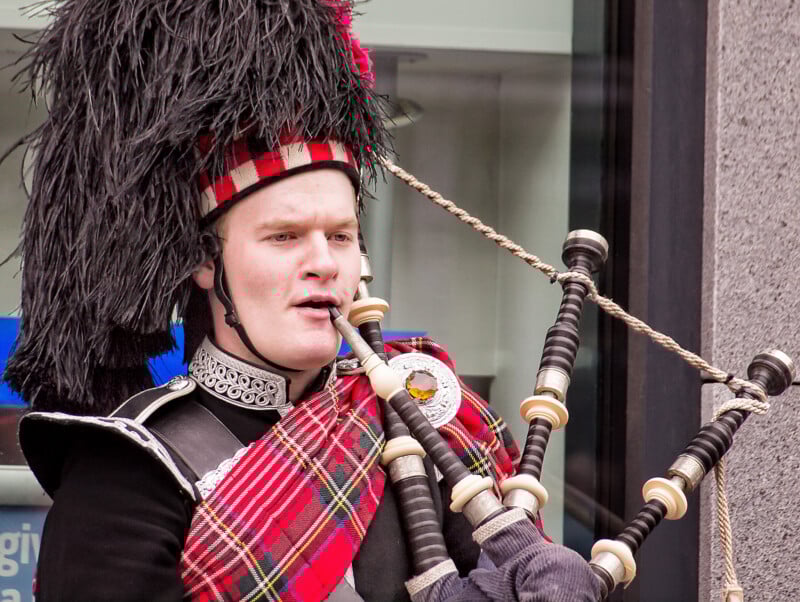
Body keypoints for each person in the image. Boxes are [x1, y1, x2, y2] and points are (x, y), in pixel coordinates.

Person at [6, 1, 599, 600]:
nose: (324, 261)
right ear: (206, 262)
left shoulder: (426, 424)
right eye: (284, 236)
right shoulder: (126, 472)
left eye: (341, 236)